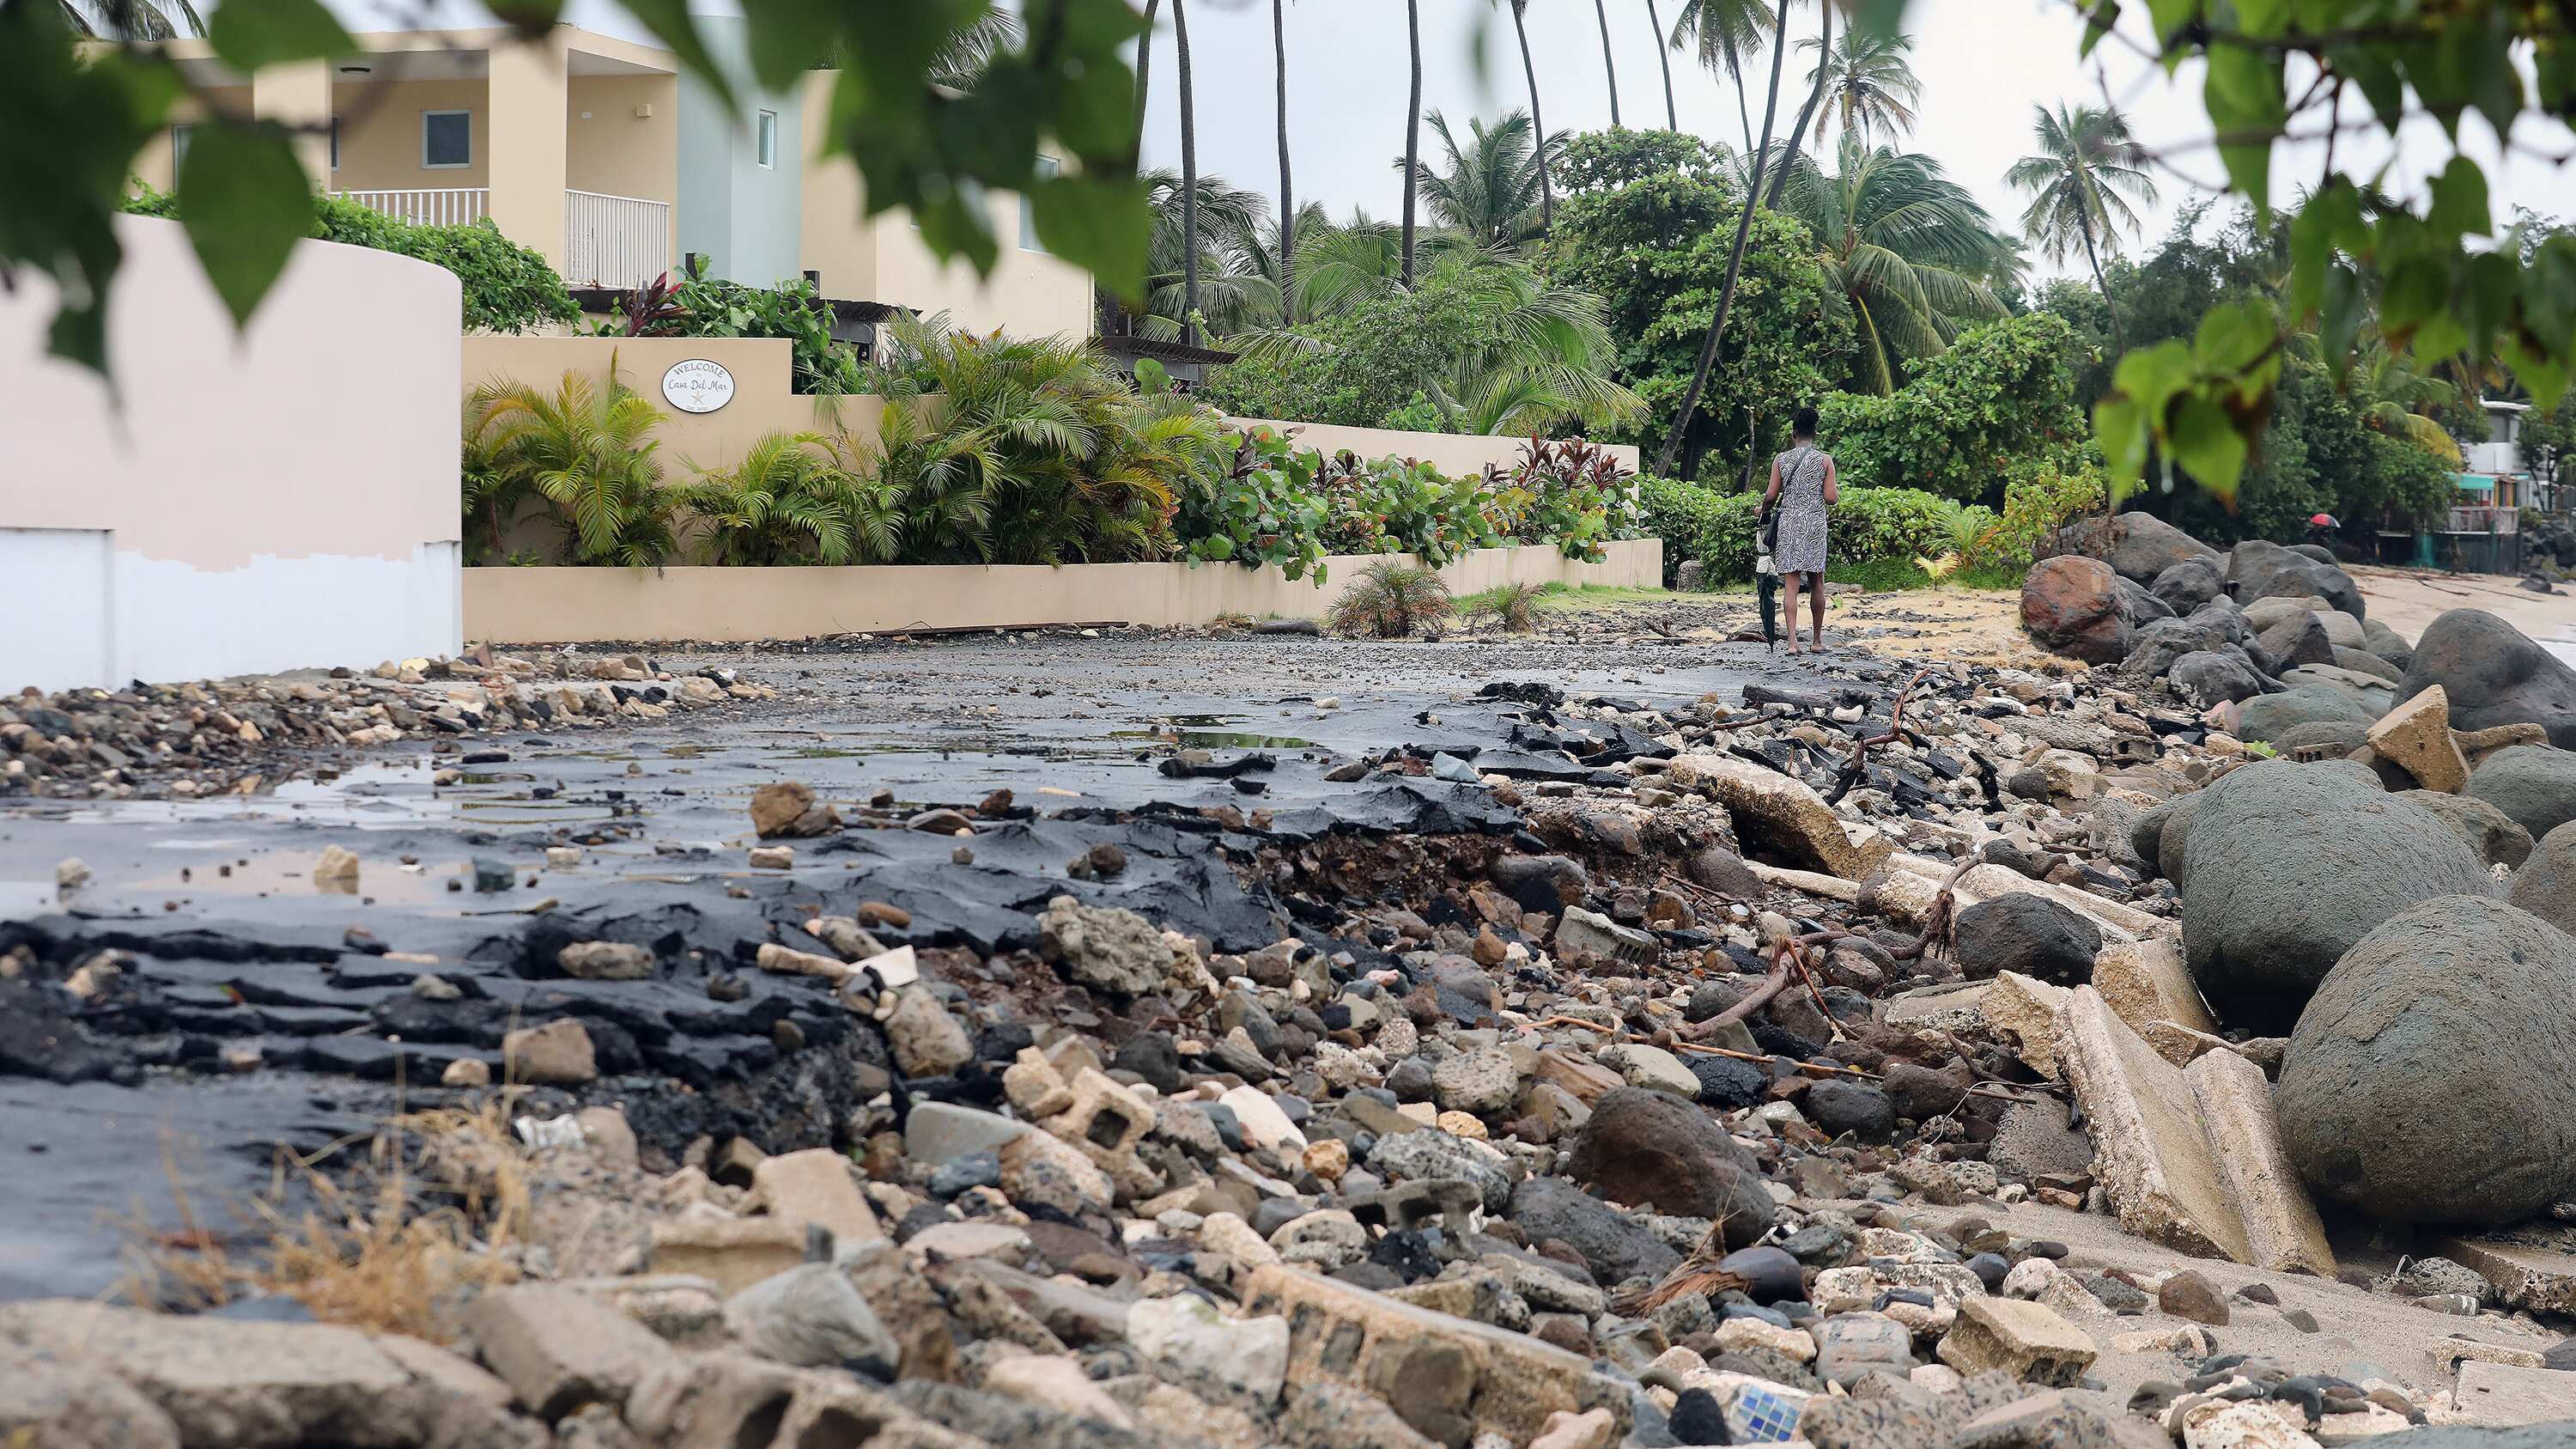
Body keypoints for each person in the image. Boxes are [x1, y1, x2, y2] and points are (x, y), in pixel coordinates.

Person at [1762, 405, 1838, 654]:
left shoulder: (1781, 459)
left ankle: (1792, 642)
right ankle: (1817, 641)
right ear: (1814, 433)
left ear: (1794, 434)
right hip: (1814, 524)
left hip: (1789, 525)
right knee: (1817, 583)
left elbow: (1772, 495)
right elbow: (1831, 498)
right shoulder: (1825, 460)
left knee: (1791, 585)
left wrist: (1761, 509)